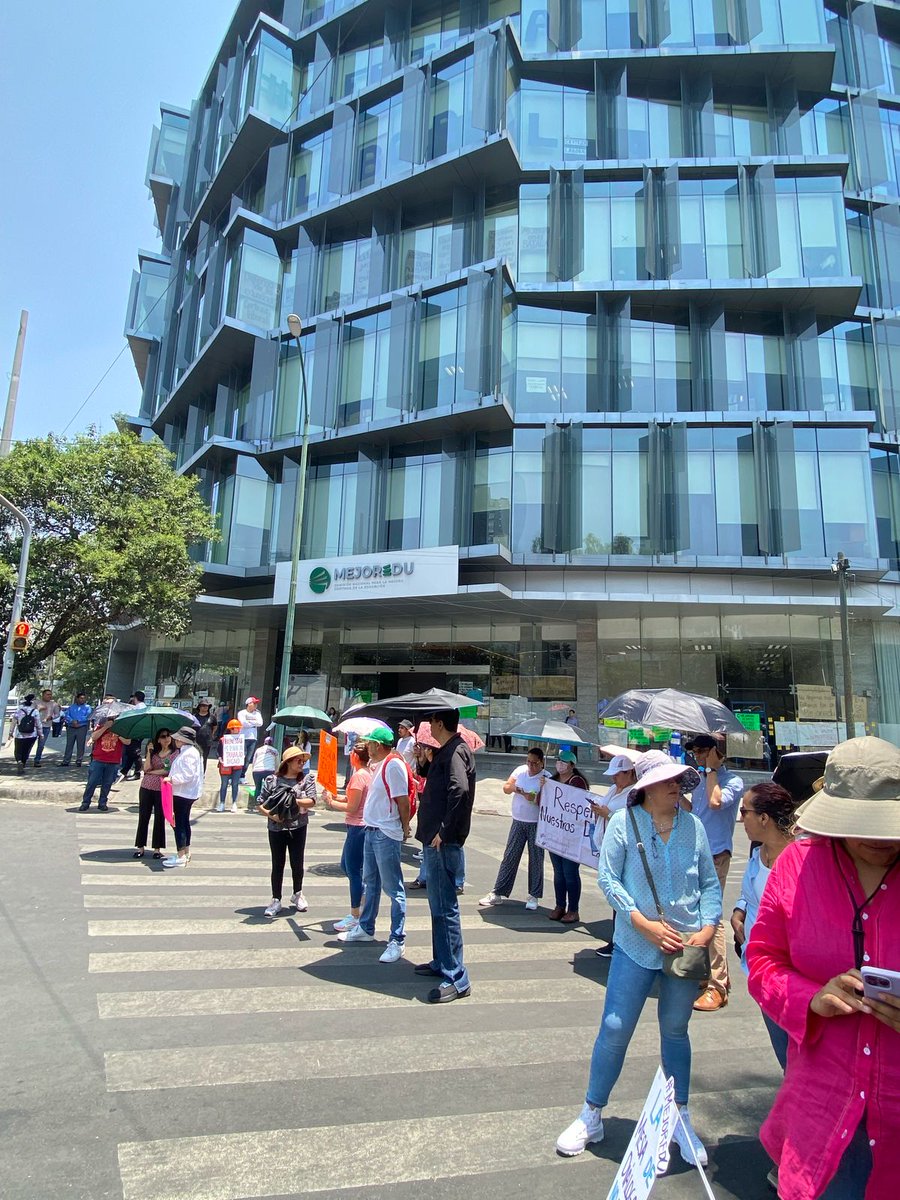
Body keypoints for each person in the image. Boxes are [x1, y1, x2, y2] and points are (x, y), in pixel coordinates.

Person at [747, 736, 900, 1200]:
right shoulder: (796, 865)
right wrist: (808, 997)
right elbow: (762, 961)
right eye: (862, 825)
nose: (880, 839)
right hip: (823, 1107)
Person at [556, 752, 720, 1165]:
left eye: (679, 780)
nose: (675, 786)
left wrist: (707, 927)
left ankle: (680, 1116)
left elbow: (708, 884)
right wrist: (642, 922)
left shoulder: (694, 827)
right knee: (615, 1027)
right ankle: (591, 1113)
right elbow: (609, 879)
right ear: (645, 787)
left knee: (676, 1030)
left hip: (684, 946)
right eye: (667, 781)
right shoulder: (624, 824)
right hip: (635, 942)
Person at [730, 781, 796, 1071]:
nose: (741, 818)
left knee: (800, 1057)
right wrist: (739, 911)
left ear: (764, 818)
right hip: (760, 970)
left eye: (745, 811)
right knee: (784, 1055)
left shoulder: (803, 857)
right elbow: (749, 893)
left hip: (793, 974)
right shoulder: (757, 853)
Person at [414, 709, 476, 1003]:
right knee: (437, 906)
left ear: (440, 723)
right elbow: (435, 780)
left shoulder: (456, 751)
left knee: (446, 906)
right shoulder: (446, 750)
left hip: (442, 841)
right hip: (434, 839)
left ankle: (457, 976)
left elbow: (460, 790)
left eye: (430, 722)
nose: (428, 727)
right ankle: (442, 961)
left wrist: (443, 830)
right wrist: (423, 760)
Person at [338, 727, 410, 962]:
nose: (367, 747)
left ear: (378, 746)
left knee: (393, 888)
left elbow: (403, 801)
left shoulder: (393, 765)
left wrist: (405, 827)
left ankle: (397, 939)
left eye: (370, 743)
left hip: (386, 833)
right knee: (371, 882)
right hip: (371, 830)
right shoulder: (377, 766)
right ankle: (366, 927)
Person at [685, 732, 744, 1011]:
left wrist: (712, 769)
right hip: (696, 852)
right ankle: (709, 973)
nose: (697, 756)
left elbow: (715, 802)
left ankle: (718, 985)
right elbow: (695, 808)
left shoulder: (732, 781)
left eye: (702, 751)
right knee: (698, 916)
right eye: (695, 752)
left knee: (712, 918)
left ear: (717, 752)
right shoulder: (700, 779)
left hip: (716, 855)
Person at [479, 746, 549, 911]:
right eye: (529, 762)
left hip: (536, 823)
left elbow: (550, 801)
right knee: (510, 856)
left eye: (535, 763)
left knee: (536, 860)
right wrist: (521, 791)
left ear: (541, 763)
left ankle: (534, 895)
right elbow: (506, 787)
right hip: (518, 820)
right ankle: (498, 891)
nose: (531, 766)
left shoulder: (546, 777)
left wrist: (540, 792)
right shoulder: (520, 771)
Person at [257, 746, 316, 917]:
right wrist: (272, 816)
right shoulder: (272, 780)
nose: (302, 763)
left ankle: (297, 893)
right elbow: (260, 802)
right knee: (278, 863)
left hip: (299, 826)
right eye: (298, 760)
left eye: (303, 761)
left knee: (297, 862)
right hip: (276, 828)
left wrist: (293, 801)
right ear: (288, 762)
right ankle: (276, 899)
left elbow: (312, 801)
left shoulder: (306, 780)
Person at [592, 754, 638, 956]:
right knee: (613, 894)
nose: (614, 779)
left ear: (628, 774)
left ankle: (618, 942)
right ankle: (617, 940)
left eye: (617, 775)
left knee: (619, 895)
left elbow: (629, 820)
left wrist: (607, 814)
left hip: (623, 851)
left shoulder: (635, 794)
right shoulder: (613, 789)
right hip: (606, 846)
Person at [326, 742, 372, 932]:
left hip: (358, 826)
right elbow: (352, 799)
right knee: (347, 866)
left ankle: (355, 914)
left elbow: (352, 806)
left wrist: (331, 803)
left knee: (353, 870)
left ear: (355, 757)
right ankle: (360, 902)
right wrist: (337, 797)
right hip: (358, 826)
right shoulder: (365, 774)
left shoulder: (359, 776)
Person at [547, 751, 590, 924]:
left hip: (571, 833)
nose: (560, 764)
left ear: (572, 765)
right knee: (558, 873)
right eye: (558, 761)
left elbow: (577, 804)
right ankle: (559, 905)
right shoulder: (553, 780)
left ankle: (573, 909)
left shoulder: (577, 782)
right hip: (554, 831)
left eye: (564, 762)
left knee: (570, 872)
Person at [162, 726, 205, 868]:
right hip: (186, 792)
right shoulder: (190, 752)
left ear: (182, 740)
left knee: (178, 823)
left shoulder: (190, 753)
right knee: (184, 822)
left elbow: (187, 775)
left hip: (183, 793)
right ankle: (185, 852)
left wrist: (171, 779)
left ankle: (181, 855)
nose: (175, 740)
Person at [133, 730, 173, 859]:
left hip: (162, 788)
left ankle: (157, 848)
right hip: (146, 787)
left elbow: (167, 770)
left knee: (159, 818)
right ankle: (140, 846)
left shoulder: (174, 753)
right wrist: (149, 753)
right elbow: (146, 768)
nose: (166, 739)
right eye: (163, 737)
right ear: (158, 740)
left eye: (168, 736)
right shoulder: (154, 752)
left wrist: (152, 772)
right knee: (143, 817)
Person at [77, 718, 131, 811]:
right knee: (92, 782)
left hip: (113, 761)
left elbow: (128, 741)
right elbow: (94, 737)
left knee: (107, 783)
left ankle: (102, 802)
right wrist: (105, 727)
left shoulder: (122, 730)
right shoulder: (100, 727)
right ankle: (85, 802)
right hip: (98, 759)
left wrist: (118, 733)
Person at [217, 718, 245, 812]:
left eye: (237, 728)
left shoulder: (241, 740)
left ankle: (234, 803)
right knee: (224, 784)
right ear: (230, 729)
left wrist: (243, 756)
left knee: (235, 784)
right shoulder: (223, 740)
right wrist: (221, 760)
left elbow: (244, 751)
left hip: (237, 765)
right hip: (225, 765)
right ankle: (222, 803)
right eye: (233, 728)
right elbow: (218, 752)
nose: (235, 730)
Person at [9, 694, 42, 773]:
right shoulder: (35, 711)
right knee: (27, 750)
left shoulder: (18, 711)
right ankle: (23, 763)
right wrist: (41, 734)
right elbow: (38, 724)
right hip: (32, 735)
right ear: (32, 703)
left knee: (18, 750)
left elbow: (13, 722)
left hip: (20, 734)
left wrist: (11, 732)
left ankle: (19, 761)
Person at [118, 691, 146, 781]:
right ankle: (124, 771)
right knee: (130, 752)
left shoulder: (138, 708)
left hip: (135, 733)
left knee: (135, 752)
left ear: (135, 698)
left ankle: (138, 772)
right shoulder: (143, 707)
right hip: (138, 732)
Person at [60, 692, 92, 767]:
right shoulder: (71, 707)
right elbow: (66, 715)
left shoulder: (87, 707)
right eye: (81, 698)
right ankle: (66, 760)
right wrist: (72, 721)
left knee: (80, 744)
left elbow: (88, 716)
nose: (82, 700)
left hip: (81, 727)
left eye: (84, 698)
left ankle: (79, 760)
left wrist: (77, 720)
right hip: (71, 727)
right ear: (77, 698)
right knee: (69, 744)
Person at [34, 689, 60, 767]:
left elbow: (57, 714)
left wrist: (51, 717)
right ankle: (23, 760)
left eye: (50, 694)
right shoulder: (36, 702)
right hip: (35, 726)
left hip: (46, 726)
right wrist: (39, 709)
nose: (49, 696)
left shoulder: (54, 704)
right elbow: (30, 712)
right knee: (30, 743)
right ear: (43, 695)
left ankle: (37, 760)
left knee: (41, 745)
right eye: (47, 694)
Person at [237, 696, 263, 773]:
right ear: (248, 704)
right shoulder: (242, 713)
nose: (256, 705)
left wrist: (249, 722)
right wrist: (253, 724)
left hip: (253, 738)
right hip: (243, 737)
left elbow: (260, 723)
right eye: (254, 703)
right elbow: (243, 723)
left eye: (256, 704)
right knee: (242, 756)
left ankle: (242, 775)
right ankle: (237, 774)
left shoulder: (257, 713)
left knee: (248, 758)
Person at [251, 737, 279, 805]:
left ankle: (256, 804)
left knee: (257, 788)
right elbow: (277, 763)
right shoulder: (275, 751)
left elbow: (254, 761)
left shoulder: (258, 750)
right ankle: (267, 804)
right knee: (269, 789)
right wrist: (276, 772)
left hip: (257, 770)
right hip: (269, 770)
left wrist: (253, 769)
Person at [193, 700, 218, 770]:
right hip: (196, 740)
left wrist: (211, 734)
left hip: (207, 741)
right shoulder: (195, 717)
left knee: (204, 758)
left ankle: (202, 773)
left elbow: (215, 726)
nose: (205, 707)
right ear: (200, 707)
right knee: (195, 757)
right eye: (203, 706)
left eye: (207, 706)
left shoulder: (212, 717)